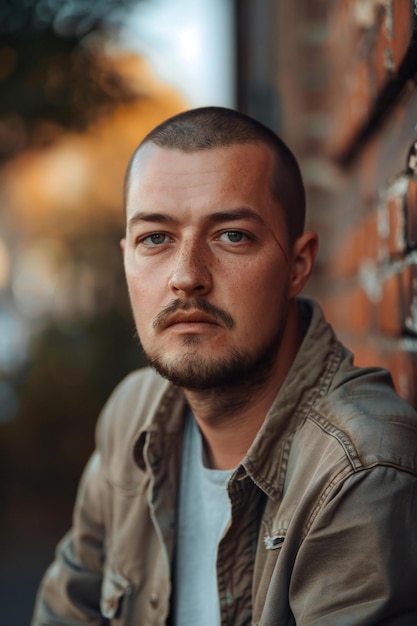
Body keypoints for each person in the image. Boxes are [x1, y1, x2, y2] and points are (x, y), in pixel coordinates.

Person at [32, 106, 417, 626]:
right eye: (155, 238)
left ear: (297, 266)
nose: (187, 277)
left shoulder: (360, 470)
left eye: (232, 235)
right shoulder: (133, 411)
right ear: (126, 256)